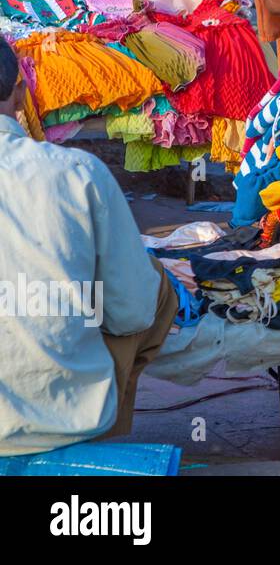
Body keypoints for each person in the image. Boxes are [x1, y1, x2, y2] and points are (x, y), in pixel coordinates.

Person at [0, 38, 178, 457]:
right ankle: (93, 437)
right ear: (22, 91)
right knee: (154, 285)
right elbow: (132, 312)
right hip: (65, 418)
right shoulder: (77, 172)